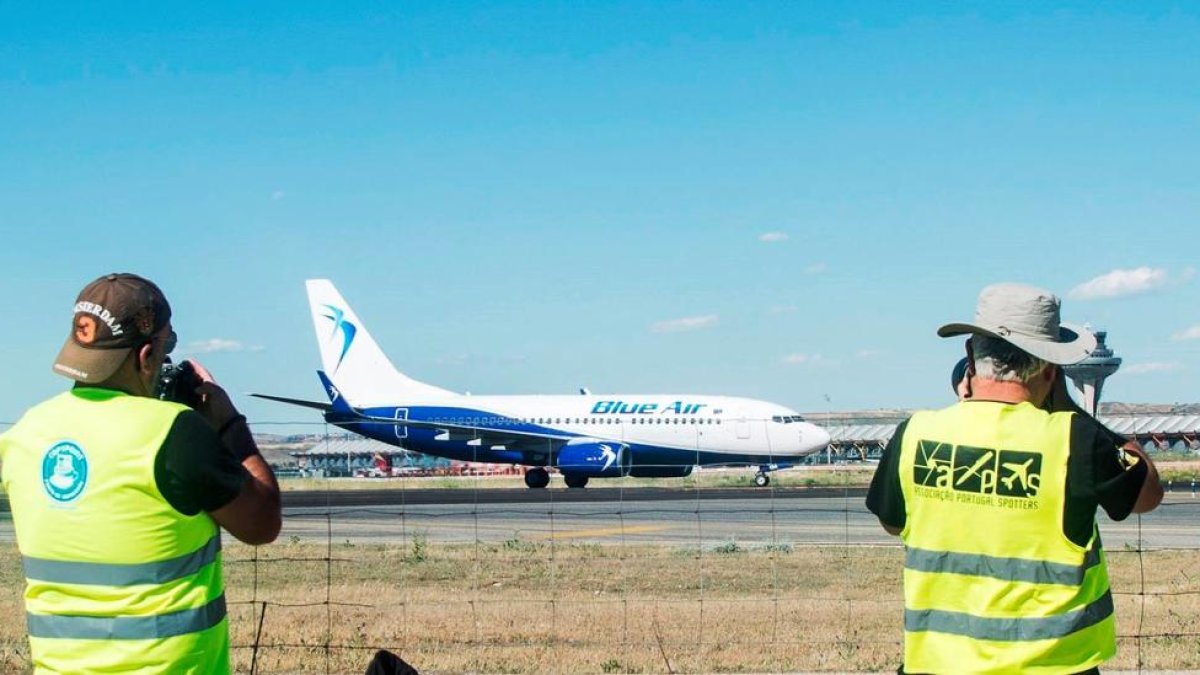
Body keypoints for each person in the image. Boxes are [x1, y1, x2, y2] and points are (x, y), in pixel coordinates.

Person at [866, 282, 1162, 675]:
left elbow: (893, 522)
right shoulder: (1074, 438)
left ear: (970, 355)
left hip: (939, 663)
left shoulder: (915, 433)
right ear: (1051, 369)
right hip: (1054, 665)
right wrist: (1069, 407)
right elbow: (1147, 495)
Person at [0, 273, 281, 674]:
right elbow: (262, 524)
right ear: (147, 355)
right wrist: (229, 426)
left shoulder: (24, 433)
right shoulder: (172, 430)